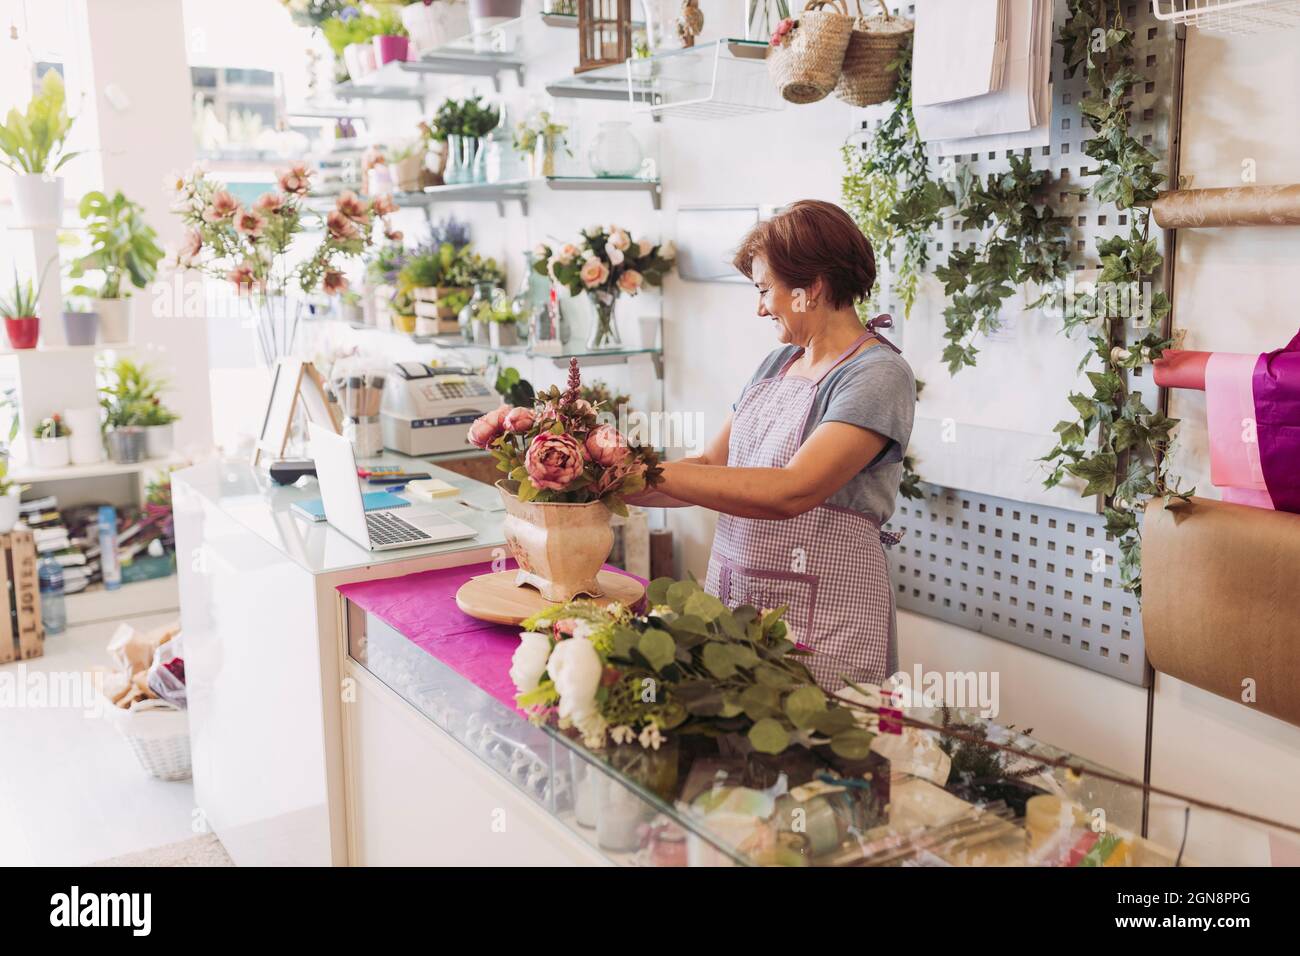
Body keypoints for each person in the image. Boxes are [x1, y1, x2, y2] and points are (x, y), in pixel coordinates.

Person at [632, 200, 916, 689]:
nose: (760, 307)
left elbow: (792, 490)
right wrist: (603, 480)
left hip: (828, 621)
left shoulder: (876, 374)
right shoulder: (776, 364)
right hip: (738, 602)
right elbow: (708, 465)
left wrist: (643, 473)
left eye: (766, 289)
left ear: (814, 287)